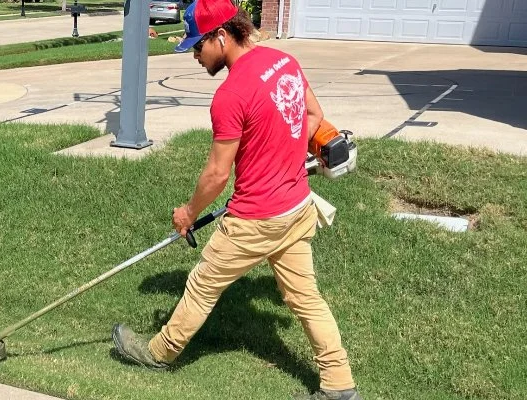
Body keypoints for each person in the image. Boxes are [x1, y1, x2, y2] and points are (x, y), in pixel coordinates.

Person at [110, 0, 362, 399]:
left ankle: (158, 353)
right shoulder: (285, 62)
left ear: (222, 37)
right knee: (305, 297)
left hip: (255, 219)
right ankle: (339, 385)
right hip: (297, 206)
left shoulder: (230, 94)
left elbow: (216, 174)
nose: (195, 56)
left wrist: (187, 213)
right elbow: (313, 115)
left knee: (202, 284)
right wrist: (285, 161)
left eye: (198, 46)